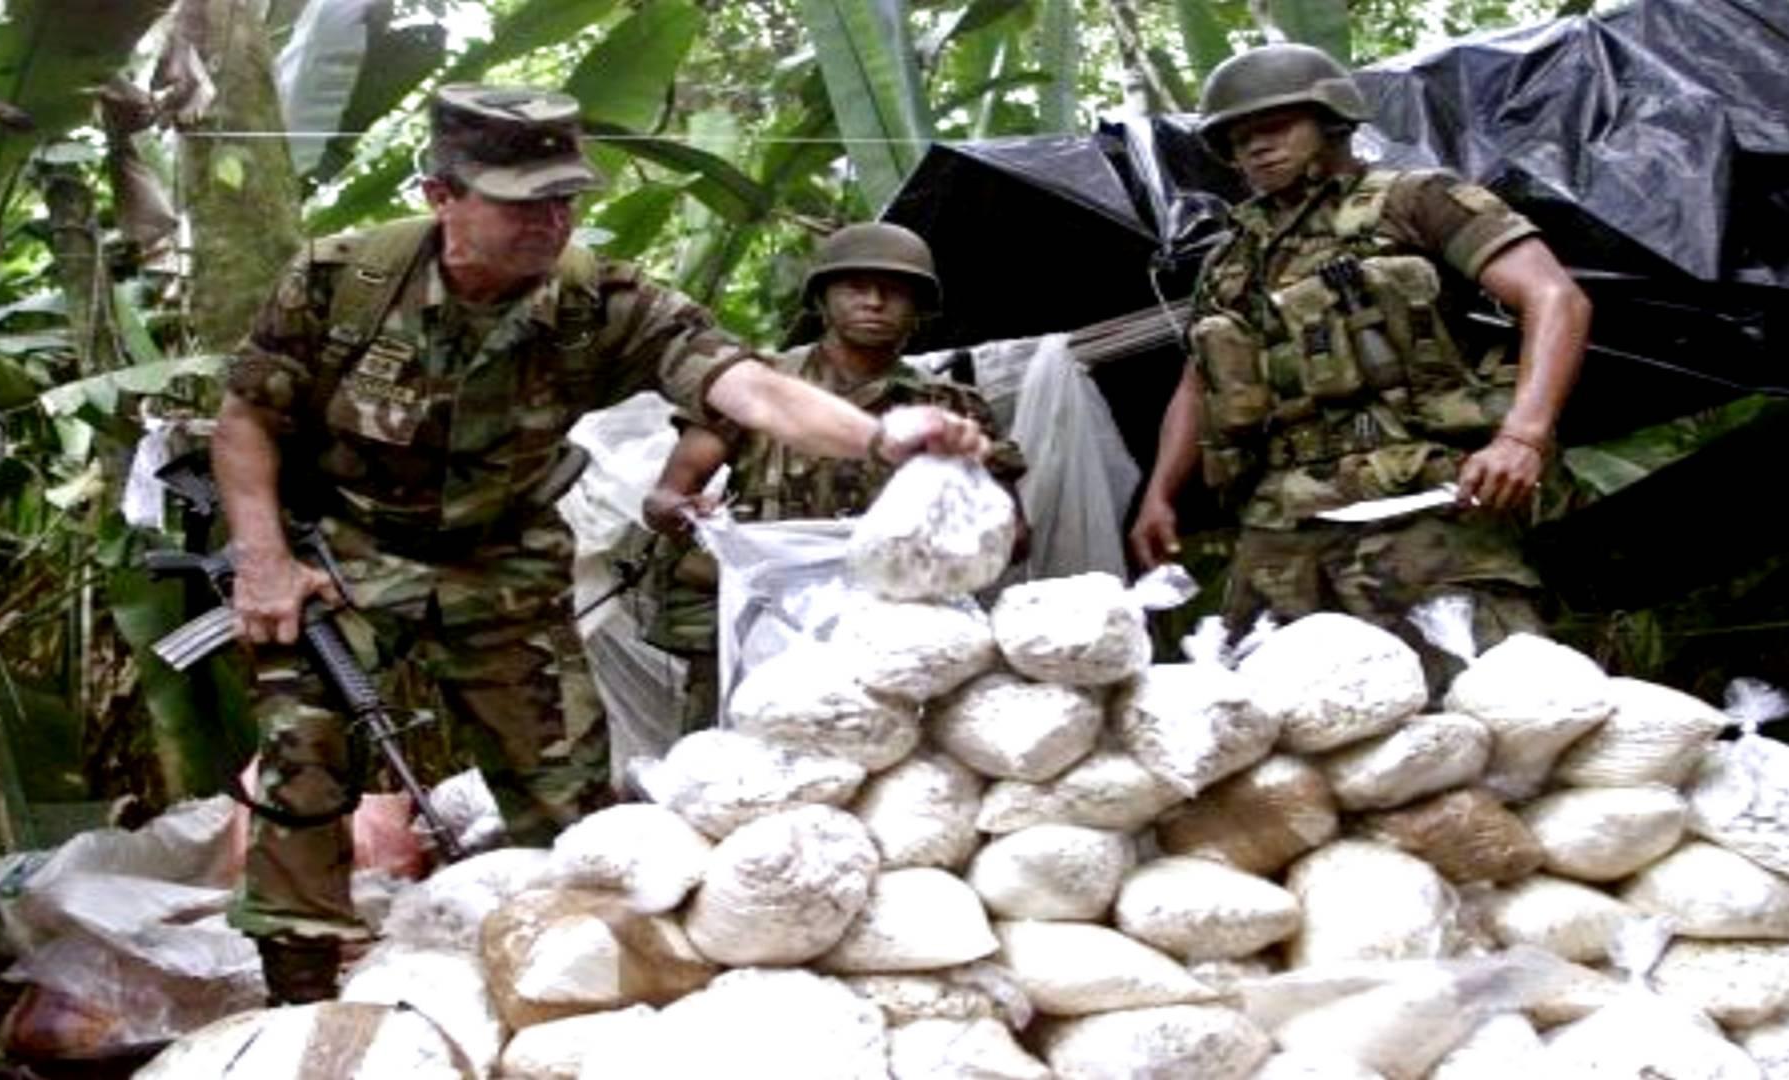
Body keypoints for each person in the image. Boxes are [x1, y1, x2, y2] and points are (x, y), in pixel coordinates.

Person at [211, 85, 986, 1003]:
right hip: (347, 548)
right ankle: (299, 990)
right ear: (442, 195)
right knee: (303, 756)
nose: (551, 221)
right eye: (521, 202)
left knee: (570, 799)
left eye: (565, 199)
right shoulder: (343, 280)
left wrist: (881, 436)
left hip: (504, 558)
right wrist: (263, 559)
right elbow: (246, 418)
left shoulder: (603, 301)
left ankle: (565, 983)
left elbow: (749, 389)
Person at [1128, 44, 1591, 665]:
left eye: (1275, 127)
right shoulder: (1231, 259)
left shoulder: (1415, 200)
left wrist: (1522, 437)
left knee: (1487, 692)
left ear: (1332, 121)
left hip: (1420, 501)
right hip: (1282, 519)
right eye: (1239, 140)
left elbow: (1555, 297)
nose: (1257, 148)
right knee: (1259, 703)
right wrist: (1160, 494)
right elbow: (1197, 383)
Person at [638, 221, 1025, 737]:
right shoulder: (761, 387)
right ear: (821, 300)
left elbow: (1014, 536)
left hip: (894, 626)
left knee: (888, 756)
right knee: (733, 753)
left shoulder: (951, 407)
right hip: (760, 610)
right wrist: (683, 512)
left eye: (894, 291)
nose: (874, 301)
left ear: (919, 307)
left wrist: (957, 525)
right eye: (855, 287)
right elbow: (667, 495)